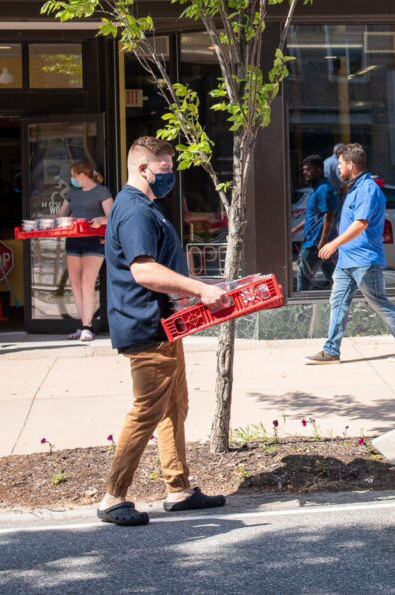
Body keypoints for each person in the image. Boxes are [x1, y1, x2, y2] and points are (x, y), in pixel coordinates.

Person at [97, 136, 231, 527]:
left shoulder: (145, 207)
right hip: (145, 327)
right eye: (165, 170)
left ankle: (179, 489)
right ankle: (112, 497)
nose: (169, 176)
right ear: (142, 168)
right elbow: (144, 271)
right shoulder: (135, 210)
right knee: (146, 412)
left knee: (174, 408)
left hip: (163, 325)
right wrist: (202, 290)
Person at [304, 143, 395, 365]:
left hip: (364, 260)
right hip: (348, 260)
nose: (337, 168)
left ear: (350, 164)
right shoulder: (353, 188)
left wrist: (334, 244)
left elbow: (360, 224)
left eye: (340, 164)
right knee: (337, 302)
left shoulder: (368, 189)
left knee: (378, 302)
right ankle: (331, 351)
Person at [58, 161, 114, 341]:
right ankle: (83, 325)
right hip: (74, 240)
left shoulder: (102, 192)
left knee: (87, 283)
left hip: (95, 241)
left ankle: (88, 327)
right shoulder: (71, 193)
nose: (72, 178)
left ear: (82, 175)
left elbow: (112, 216)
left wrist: (100, 219)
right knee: (74, 284)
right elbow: (61, 217)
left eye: (74, 175)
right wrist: (67, 220)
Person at [291, 154, 338, 291]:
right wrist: (296, 230)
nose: (305, 173)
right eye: (304, 170)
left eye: (308, 170)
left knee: (303, 276)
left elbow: (329, 216)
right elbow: (313, 217)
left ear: (318, 171)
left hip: (316, 243)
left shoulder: (324, 190)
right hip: (319, 242)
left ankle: (303, 306)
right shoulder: (317, 189)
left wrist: (322, 242)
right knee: (333, 277)